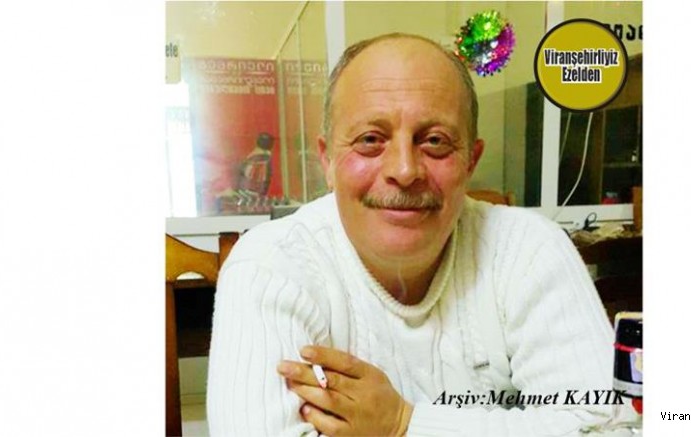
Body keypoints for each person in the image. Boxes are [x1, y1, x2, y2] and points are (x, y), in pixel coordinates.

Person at [207, 33, 617, 436]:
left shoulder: (529, 250)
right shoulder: (270, 265)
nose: (404, 170)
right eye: (370, 140)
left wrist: (404, 424)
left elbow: (606, 428)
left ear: (471, 161)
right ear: (327, 159)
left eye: (435, 141)